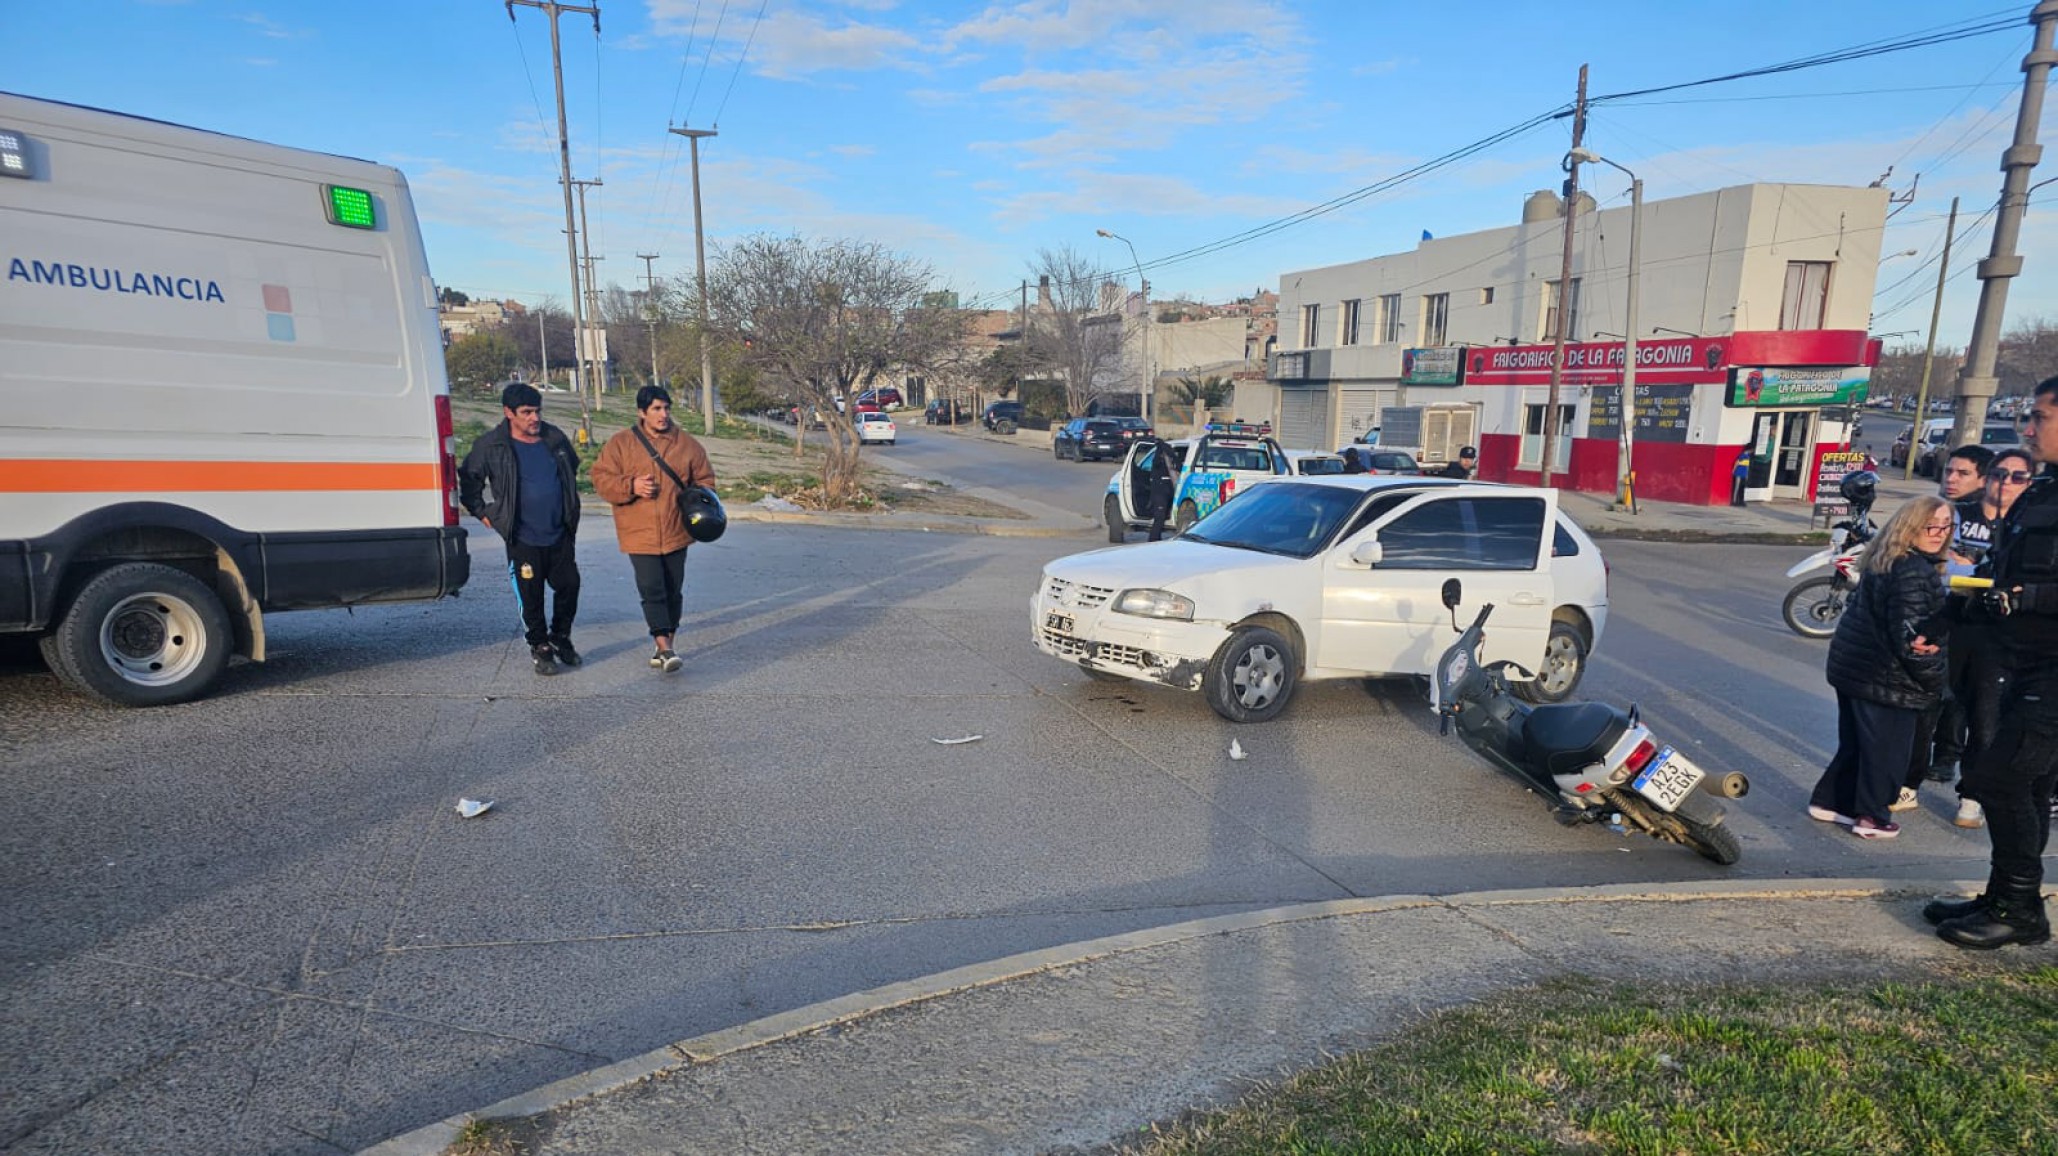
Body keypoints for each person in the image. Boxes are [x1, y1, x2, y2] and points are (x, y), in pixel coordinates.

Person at [1928, 378, 2058, 949]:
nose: (2027, 429)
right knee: (2023, 786)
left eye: (2039, 418)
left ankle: (2019, 908)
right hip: (2019, 662)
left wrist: (2026, 598)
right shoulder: (2039, 494)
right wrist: (1945, 621)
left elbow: (2027, 590)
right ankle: (2006, 899)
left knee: (1994, 778)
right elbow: (1998, 577)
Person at [1807, 494, 1952, 839]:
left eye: (1946, 525)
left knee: (1858, 744)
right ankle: (1872, 818)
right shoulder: (1915, 571)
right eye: (1931, 525)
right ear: (1910, 526)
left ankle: (1831, 802)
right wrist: (1935, 682)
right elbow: (1913, 639)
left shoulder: (1883, 557)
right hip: (1886, 677)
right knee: (1886, 753)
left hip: (1856, 669)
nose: (1940, 533)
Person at [459, 381, 584, 676]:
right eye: (526, 412)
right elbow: (469, 479)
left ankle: (560, 637)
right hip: (522, 536)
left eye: (537, 411)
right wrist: (482, 512)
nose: (534, 418)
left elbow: (572, 469)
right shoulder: (492, 445)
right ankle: (540, 645)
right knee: (531, 595)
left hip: (559, 532)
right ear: (508, 412)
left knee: (569, 586)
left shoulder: (554, 438)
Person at [590, 386, 717, 673]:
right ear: (641, 412)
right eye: (656, 409)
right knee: (651, 588)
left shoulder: (687, 445)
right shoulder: (621, 444)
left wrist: (696, 499)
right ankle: (663, 644)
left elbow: (706, 480)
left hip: (677, 531)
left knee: (673, 590)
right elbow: (600, 479)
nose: (663, 415)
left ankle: (666, 645)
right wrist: (630, 486)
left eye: (666, 408)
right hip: (638, 532)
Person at [1900, 444, 2000, 807]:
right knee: (1939, 698)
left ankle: (1969, 791)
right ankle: (1928, 767)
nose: (1951, 479)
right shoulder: (1954, 513)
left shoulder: (2018, 521)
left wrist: (1973, 566)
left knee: (1983, 710)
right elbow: (1936, 559)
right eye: (1949, 471)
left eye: (1962, 473)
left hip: (1992, 630)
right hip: (1949, 614)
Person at [1145, 440, 1177, 541]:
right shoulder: (1159, 462)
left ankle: (1154, 539)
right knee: (1159, 518)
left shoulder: (1159, 460)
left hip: (1162, 490)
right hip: (1161, 491)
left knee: (1159, 518)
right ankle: (1154, 540)